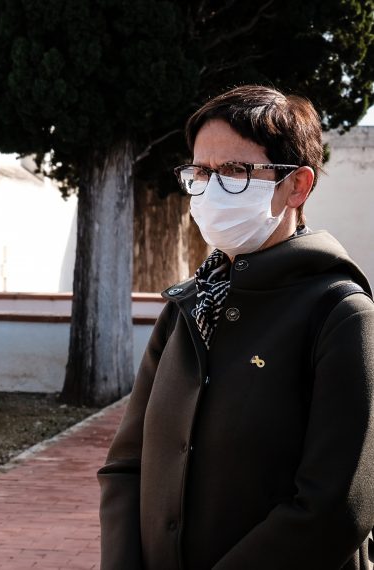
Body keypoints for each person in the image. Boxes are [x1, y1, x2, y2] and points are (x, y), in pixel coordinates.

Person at [98, 84, 374, 569]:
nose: (210, 187)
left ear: (298, 186)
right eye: (200, 171)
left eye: (234, 171)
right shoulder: (187, 308)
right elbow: (127, 466)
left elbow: (336, 506)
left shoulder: (341, 314)